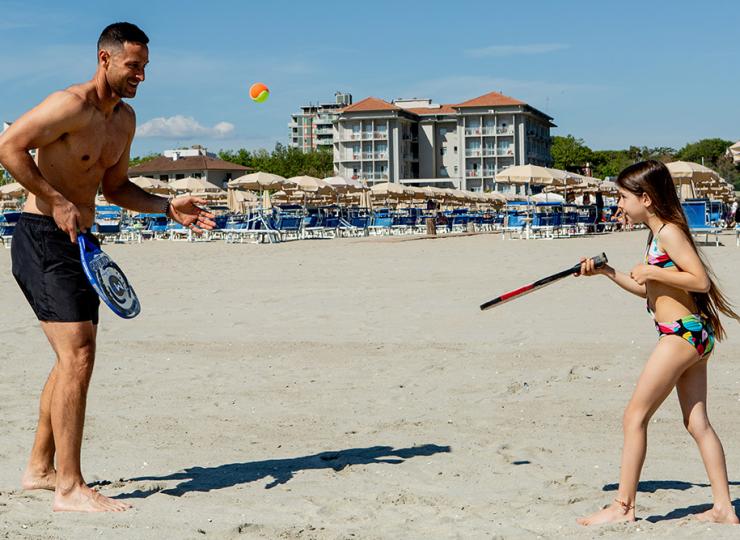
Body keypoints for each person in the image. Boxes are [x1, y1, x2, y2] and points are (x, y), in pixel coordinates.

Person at [0, 22, 215, 512]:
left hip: (80, 243)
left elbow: (116, 188)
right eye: (133, 65)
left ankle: (39, 467)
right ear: (105, 59)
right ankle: (70, 488)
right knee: (77, 355)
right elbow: (8, 146)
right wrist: (54, 200)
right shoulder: (69, 105)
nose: (141, 75)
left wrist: (166, 207)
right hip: (40, 237)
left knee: (70, 357)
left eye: (144, 67)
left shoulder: (125, 121)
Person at [576, 160, 739, 526]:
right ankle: (724, 508)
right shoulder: (656, 235)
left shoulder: (668, 232)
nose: (618, 204)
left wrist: (651, 270)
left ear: (645, 199)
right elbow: (648, 291)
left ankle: (623, 507)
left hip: (680, 335)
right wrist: (608, 272)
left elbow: (700, 282)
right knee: (697, 423)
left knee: (634, 416)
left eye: (622, 197)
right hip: (693, 335)